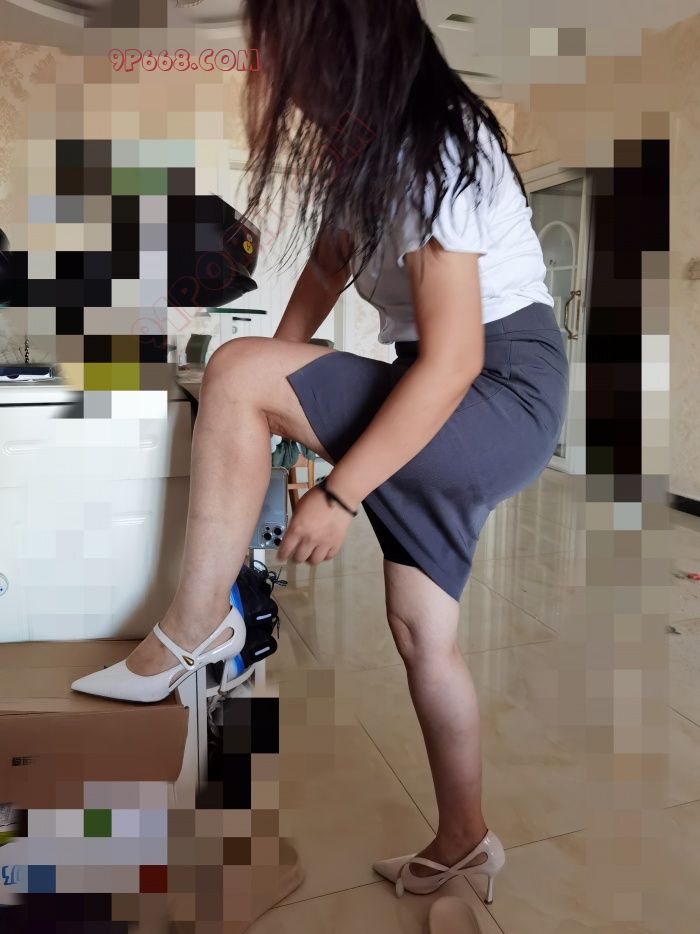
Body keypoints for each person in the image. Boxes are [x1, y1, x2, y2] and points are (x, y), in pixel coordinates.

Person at [72, 0, 569, 907]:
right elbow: (330, 265)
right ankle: (465, 841)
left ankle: (196, 627)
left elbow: (456, 359)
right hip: (450, 386)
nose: (267, 68)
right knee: (422, 635)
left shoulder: (433, 143)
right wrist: (270, 382)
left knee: (236, 369)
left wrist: (335, 490)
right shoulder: (369, 152)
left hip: (491, 388)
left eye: (279, 47)